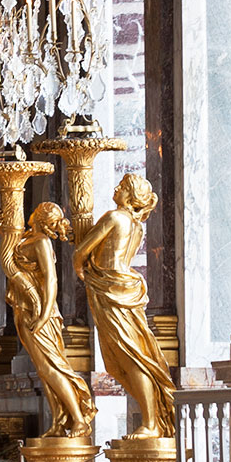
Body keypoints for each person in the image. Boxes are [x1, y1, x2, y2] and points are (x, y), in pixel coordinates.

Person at [73, 175, 174, 438]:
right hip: (125, 286)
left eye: (121, 187)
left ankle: (151, 423)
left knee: (130, 357)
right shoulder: (137, 226)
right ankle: (152, 419)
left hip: (110, 289)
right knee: (127, 358)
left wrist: (81, 269)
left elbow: (81, 251)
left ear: (129, 195)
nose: (115, 189)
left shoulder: (114, 217)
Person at [8, 202, 93, 438]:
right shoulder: (26, 239)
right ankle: (58, 420)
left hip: (40, 312)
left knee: (53, 366)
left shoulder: (42, 242)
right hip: (24, 310)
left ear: (40, 217)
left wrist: (45, 314)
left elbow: (51, 280)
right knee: (43, 370)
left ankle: (78, 419)